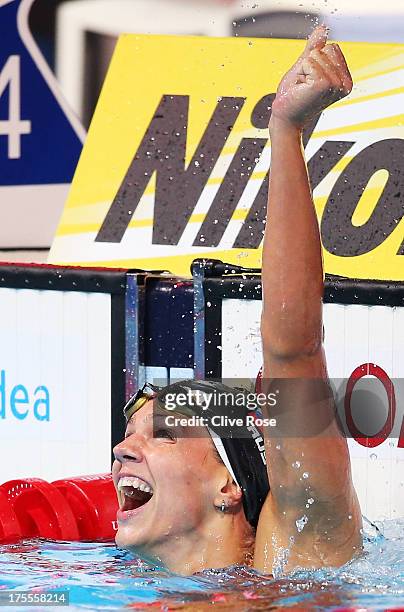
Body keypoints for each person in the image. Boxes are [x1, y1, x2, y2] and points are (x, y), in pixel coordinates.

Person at [112, 25, 362, 576]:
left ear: (228, 485)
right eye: (131, 436)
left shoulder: (298, 556)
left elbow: (293, 349)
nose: (121, 452)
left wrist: (285, 127)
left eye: (161, 434)